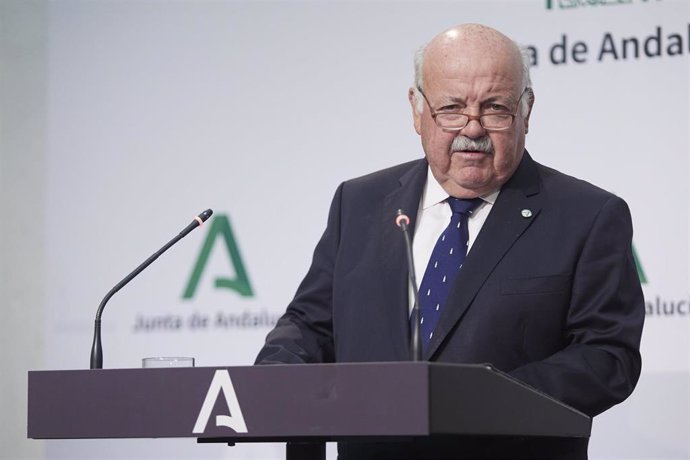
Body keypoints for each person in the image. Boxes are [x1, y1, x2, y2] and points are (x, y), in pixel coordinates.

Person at [255, 23, 644, 460]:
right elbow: (310, 324)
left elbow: (608, 356)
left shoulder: (587, 214)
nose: (472, 128)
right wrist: (275, 380)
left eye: (495, 108)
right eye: (451, 108)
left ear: (527, 110)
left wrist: (478, 401)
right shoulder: (360, 202)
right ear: (417, 109)